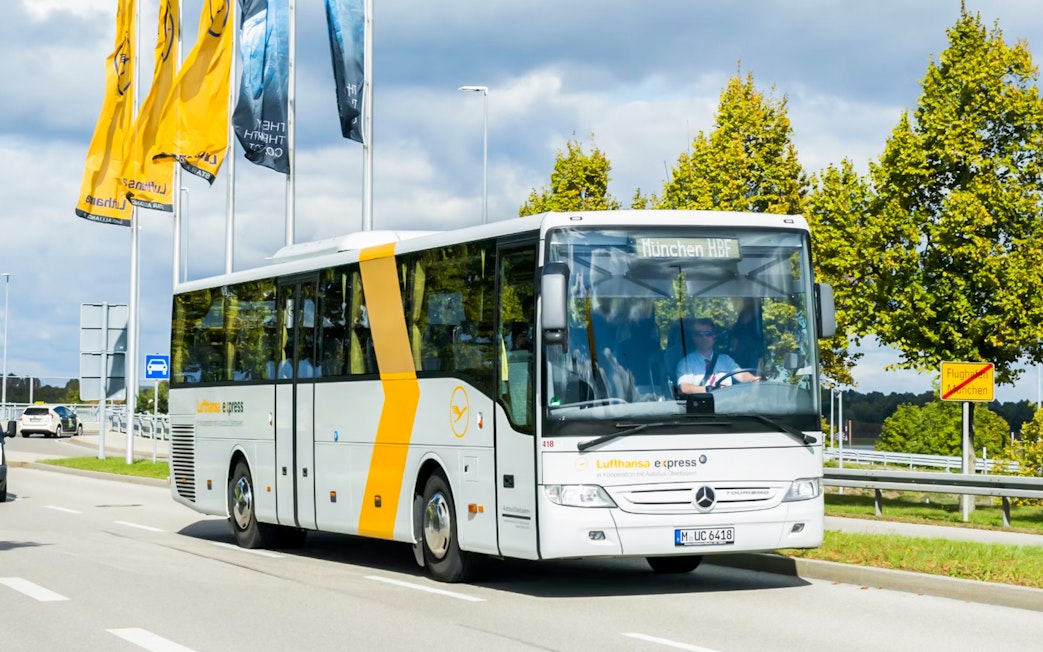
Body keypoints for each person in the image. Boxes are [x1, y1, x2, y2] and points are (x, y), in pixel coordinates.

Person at [676, 318, 758, 394]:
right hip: (702, 403)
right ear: (693, 338)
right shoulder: (686, 363)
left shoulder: (725, 359)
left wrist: (753, 379)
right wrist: (710, 389)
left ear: (714, 337)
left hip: (729, 402)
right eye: (699, 334)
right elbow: (685, 388)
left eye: (708, 334)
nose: (704, 338)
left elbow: (741, 375)